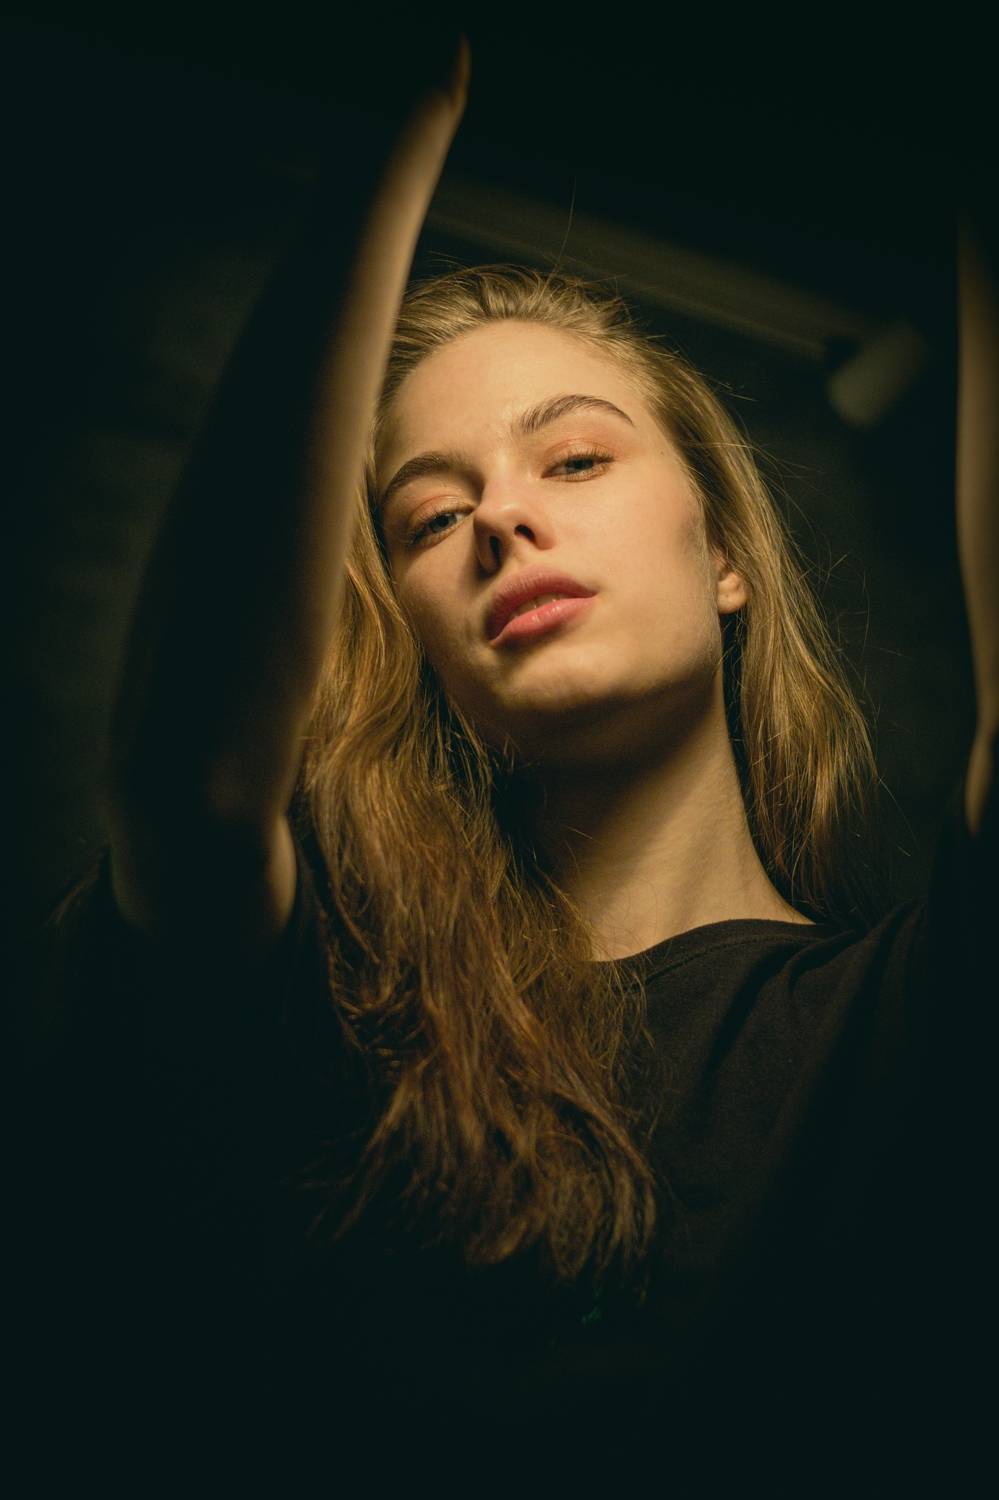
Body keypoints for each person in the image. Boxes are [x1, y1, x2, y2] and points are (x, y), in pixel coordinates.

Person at [22, 34, 997, 1493]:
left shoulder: (920, 1022)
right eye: (429, 517)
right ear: (415, 640)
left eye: (578, 459)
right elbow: (194, 792)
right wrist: (391, 112)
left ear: (724, 556)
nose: (499, 520)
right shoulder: (341, 1029)